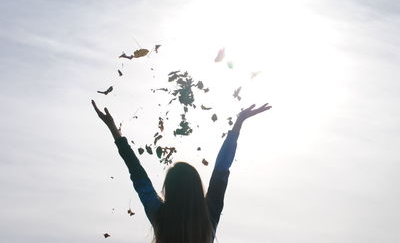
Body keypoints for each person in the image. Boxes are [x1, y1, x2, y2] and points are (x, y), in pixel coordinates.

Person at [91, 100, 271, 243]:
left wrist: (113, 130)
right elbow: (221, 171)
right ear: (195, 186)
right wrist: (238, 124)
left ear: (169, 189)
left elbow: (137, 174)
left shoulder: (161, 217)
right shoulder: (208, 218)